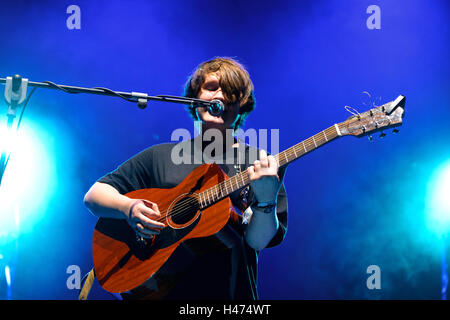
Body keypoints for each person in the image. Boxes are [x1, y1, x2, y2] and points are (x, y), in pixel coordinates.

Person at [84, 57, 288, 300]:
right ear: (194, 99)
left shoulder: (258, 164)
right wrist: (128, 207)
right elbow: (94, 196)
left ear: (242, 106)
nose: (220, 96)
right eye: (212, 87)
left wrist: (266, 201)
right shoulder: (160, 156)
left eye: (231, 91)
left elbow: (257, 242)